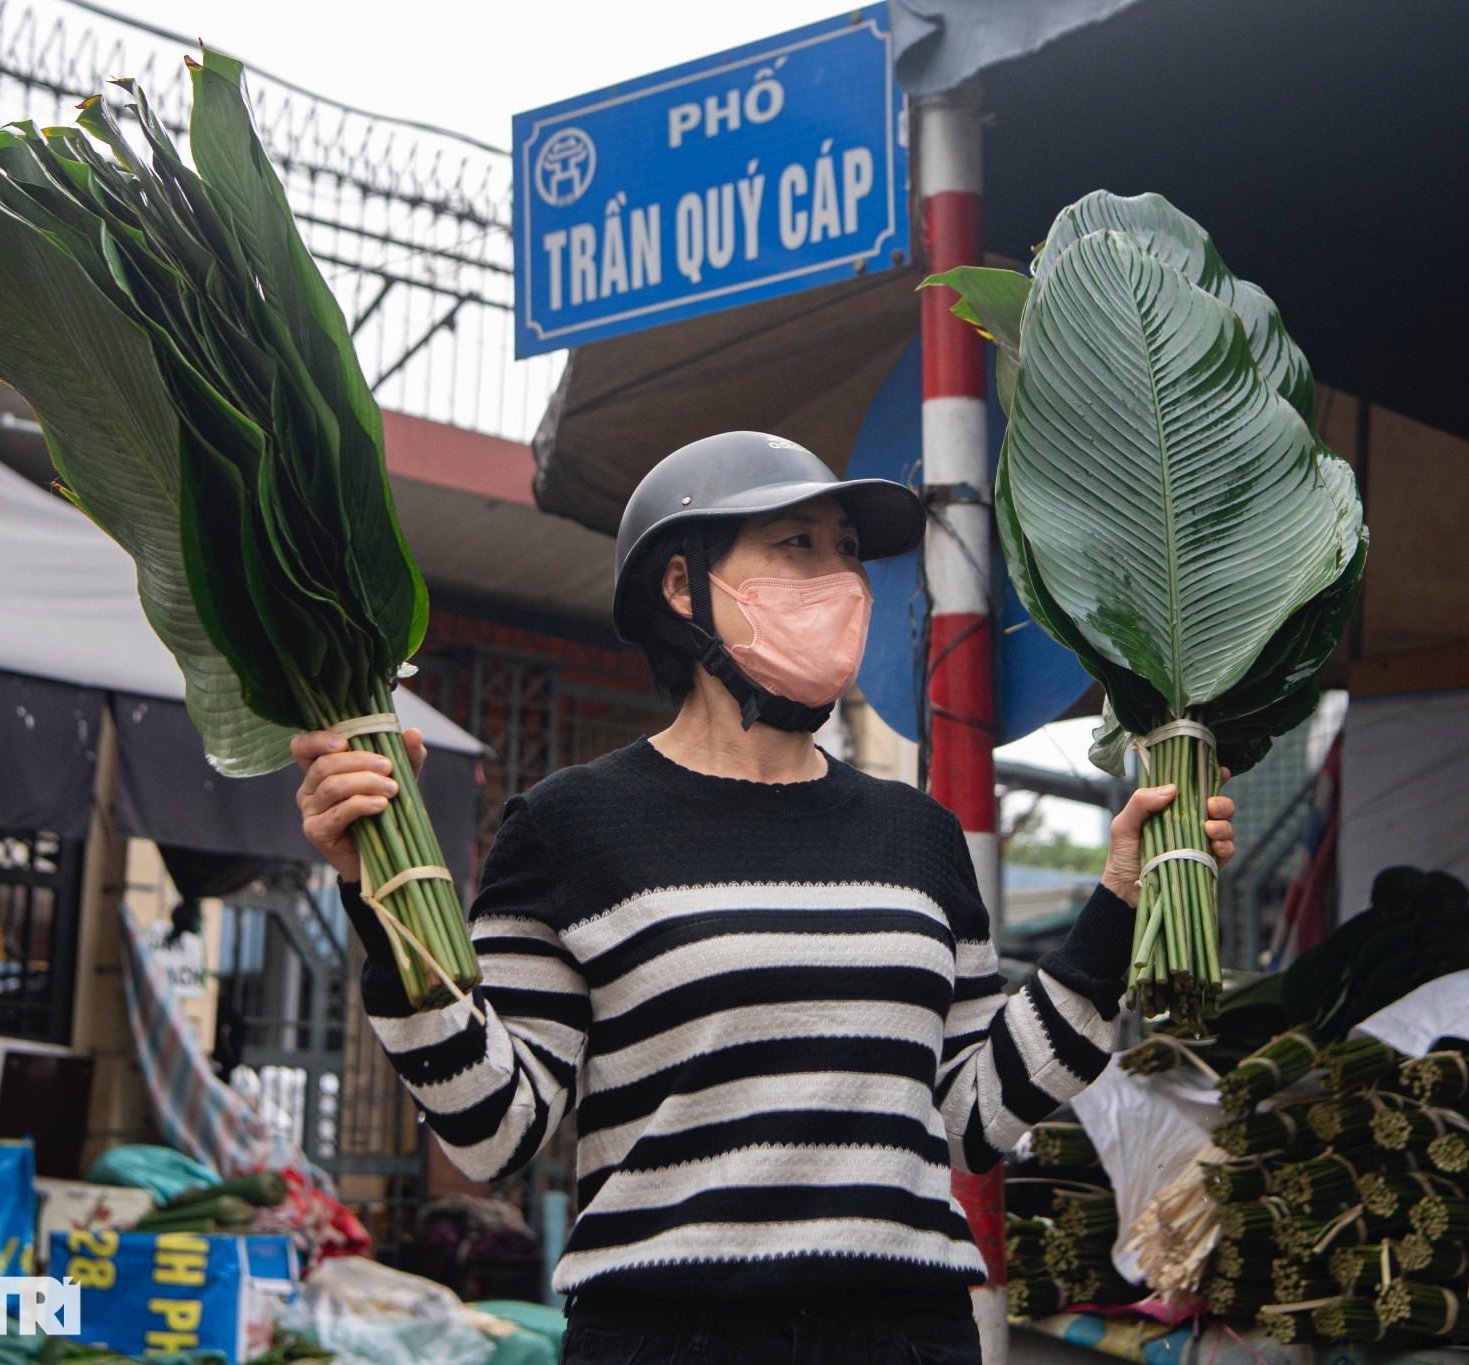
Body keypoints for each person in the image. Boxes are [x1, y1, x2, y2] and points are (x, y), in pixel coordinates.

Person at [293, 433, 1236, 1364]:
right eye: (799, 544)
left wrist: (1120, 898)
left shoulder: (920, 835)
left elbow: (975, 1113)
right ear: (680, 584)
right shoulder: (565, 826)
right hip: (669, 1333)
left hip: (904, 1332)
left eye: (849, 551)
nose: (841, 580)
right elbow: (496, 1127)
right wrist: (375, 895)